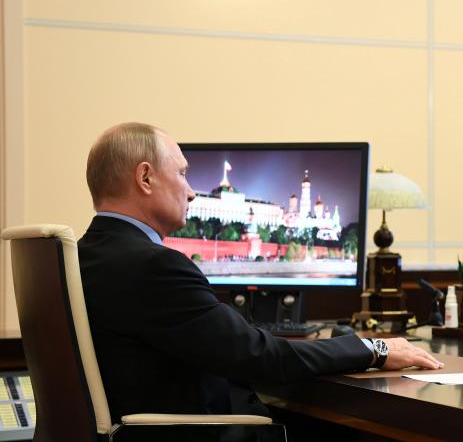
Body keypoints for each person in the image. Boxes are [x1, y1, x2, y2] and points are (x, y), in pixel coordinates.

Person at [78, 123, 442, 442]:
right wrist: (374, 349)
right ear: (145, 178)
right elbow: (263, 357)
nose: (191, 192)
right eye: (184, 174)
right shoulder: (153, 265)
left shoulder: (83, 255)